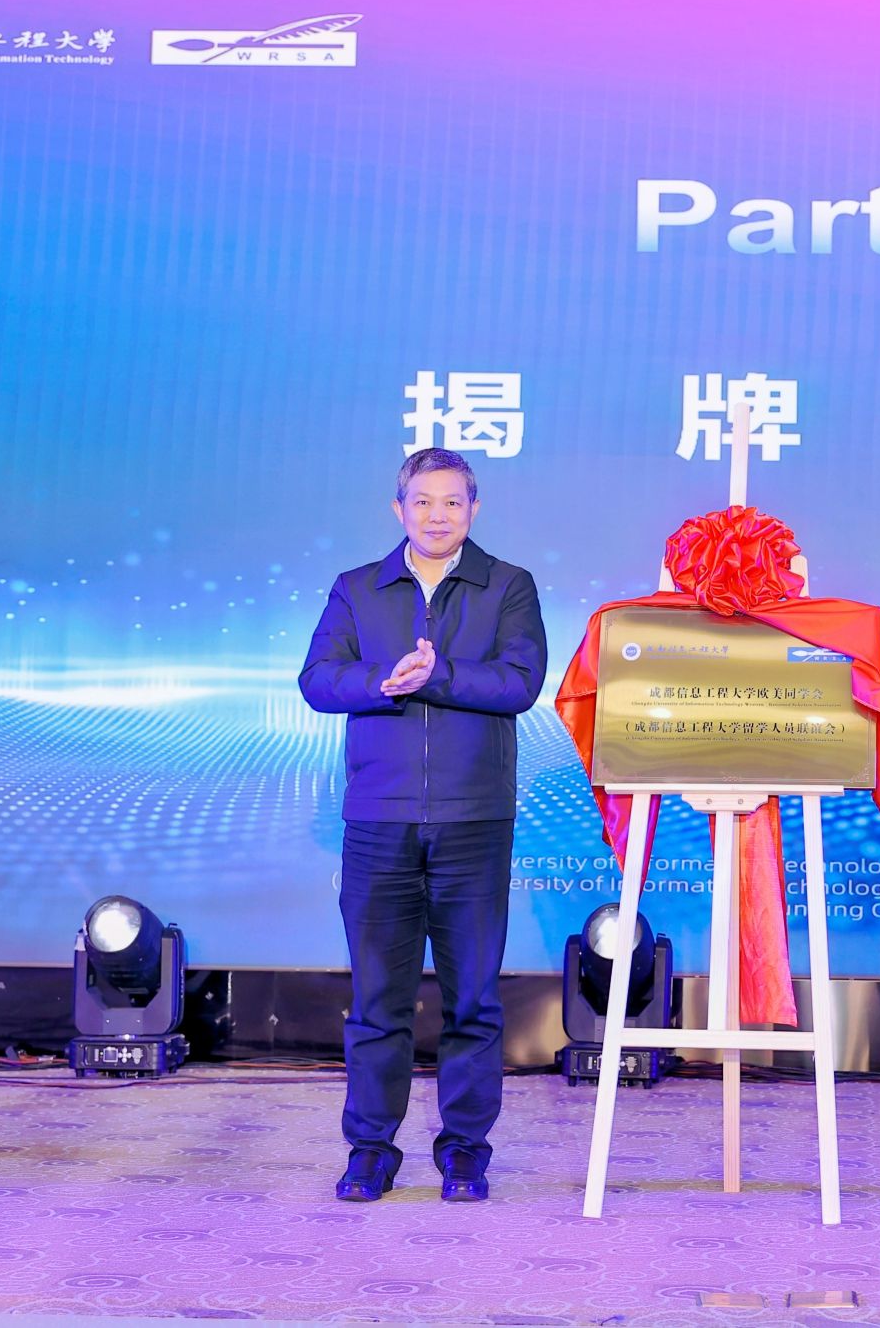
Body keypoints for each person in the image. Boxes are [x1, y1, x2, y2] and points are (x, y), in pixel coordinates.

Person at [298, 447, 547, 1204]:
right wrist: (384, 679)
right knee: (379, 1000)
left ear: (474, 509)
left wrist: (436, 674)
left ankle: (465, 1151)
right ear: (398, 509)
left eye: (453, 502)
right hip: (380, 820)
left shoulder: (508, 584)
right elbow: (317, 679)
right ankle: (370, 1149)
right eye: (423, 502)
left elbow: (521, 681)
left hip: (475, 819)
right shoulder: (357, 588)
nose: (438, 516)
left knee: (474, 999)